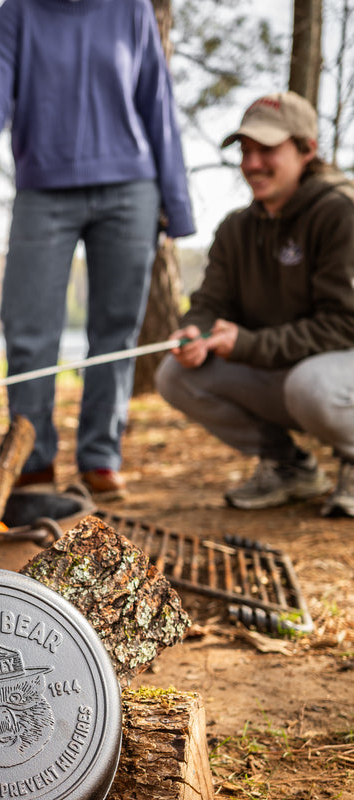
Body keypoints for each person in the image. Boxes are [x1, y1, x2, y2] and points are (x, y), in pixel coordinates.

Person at [0, 0, 194, 500]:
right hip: (44, 190)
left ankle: (100, 458)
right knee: (28, 329)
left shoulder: (131, 10)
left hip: (131, 189)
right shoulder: (20, 13)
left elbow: (158, 104)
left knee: (115, 331)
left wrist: (177, 202)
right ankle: (31, 460)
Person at [156, 91, 354, 517]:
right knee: (176, 374)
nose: (251, 163)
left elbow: (344, 325)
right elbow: (210, 301)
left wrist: (245, 345)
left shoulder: (341, 213)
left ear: (307, 150)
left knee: (312, 385)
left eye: (267, 149)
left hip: (335, 373)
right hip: (293, 373)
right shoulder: (235, 229)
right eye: (245, 151)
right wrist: (197, 330)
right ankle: (291, 468)